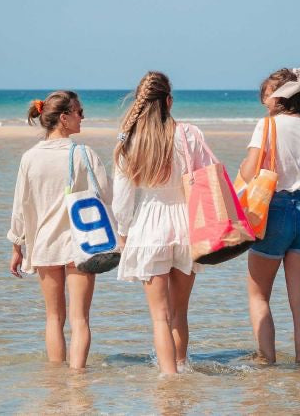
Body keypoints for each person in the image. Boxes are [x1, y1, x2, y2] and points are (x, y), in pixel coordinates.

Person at [112, 71, 213, 374]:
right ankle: (181, 370)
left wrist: (123, 232)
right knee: (180, 312)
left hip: (149, 227)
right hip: (186, 226)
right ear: (169, 100)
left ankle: (168, 380)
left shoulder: (131, 140)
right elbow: (210, 178)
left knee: (160, 317)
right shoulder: (190, 134)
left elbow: (122, 198)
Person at [8, 90, 112, 369]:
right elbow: (107, 195)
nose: (83, 117)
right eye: (79, 112)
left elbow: (21, 205)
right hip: (82, 244)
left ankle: (55, 387)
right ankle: (78, 385)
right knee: (81, 320)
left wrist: (17, 247)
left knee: (53, 318)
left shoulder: (30, 157)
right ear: (64, 118)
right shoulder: (84, 154)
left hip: (44, 244)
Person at [240, 66, 300, 365]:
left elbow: (250, 171)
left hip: (273, 210)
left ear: (280, 96)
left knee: (259, 296)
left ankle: (267, 360)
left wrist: (242, 168)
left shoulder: (268, 126)